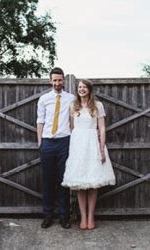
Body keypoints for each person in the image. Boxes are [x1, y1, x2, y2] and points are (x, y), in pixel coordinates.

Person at [62, 79, 116, 230]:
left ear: (90, 90)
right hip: (78, 145)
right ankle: (83, 217)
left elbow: (102, 129)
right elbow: (72, 128)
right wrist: (73, 149)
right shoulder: (73, 105)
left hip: (93, 144)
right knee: (80, 184)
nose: (82, 89)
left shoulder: (98, 106)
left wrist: (101, 147)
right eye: (79, 87)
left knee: (93, 182)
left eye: (84, 87)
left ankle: (91, 217)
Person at [36, 67, 75, 229]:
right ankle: (47, 215)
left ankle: (64, 217)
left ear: (64, 80)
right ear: (50, 81)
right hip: (47, 142)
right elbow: (40, 121)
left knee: (63, 181)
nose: (57, 83)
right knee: (47, 180)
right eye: (55, 80)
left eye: (60, 80)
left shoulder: (71, 98)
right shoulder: (44, 99)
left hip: (64, 142)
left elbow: (73, 121)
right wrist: (40, 142)